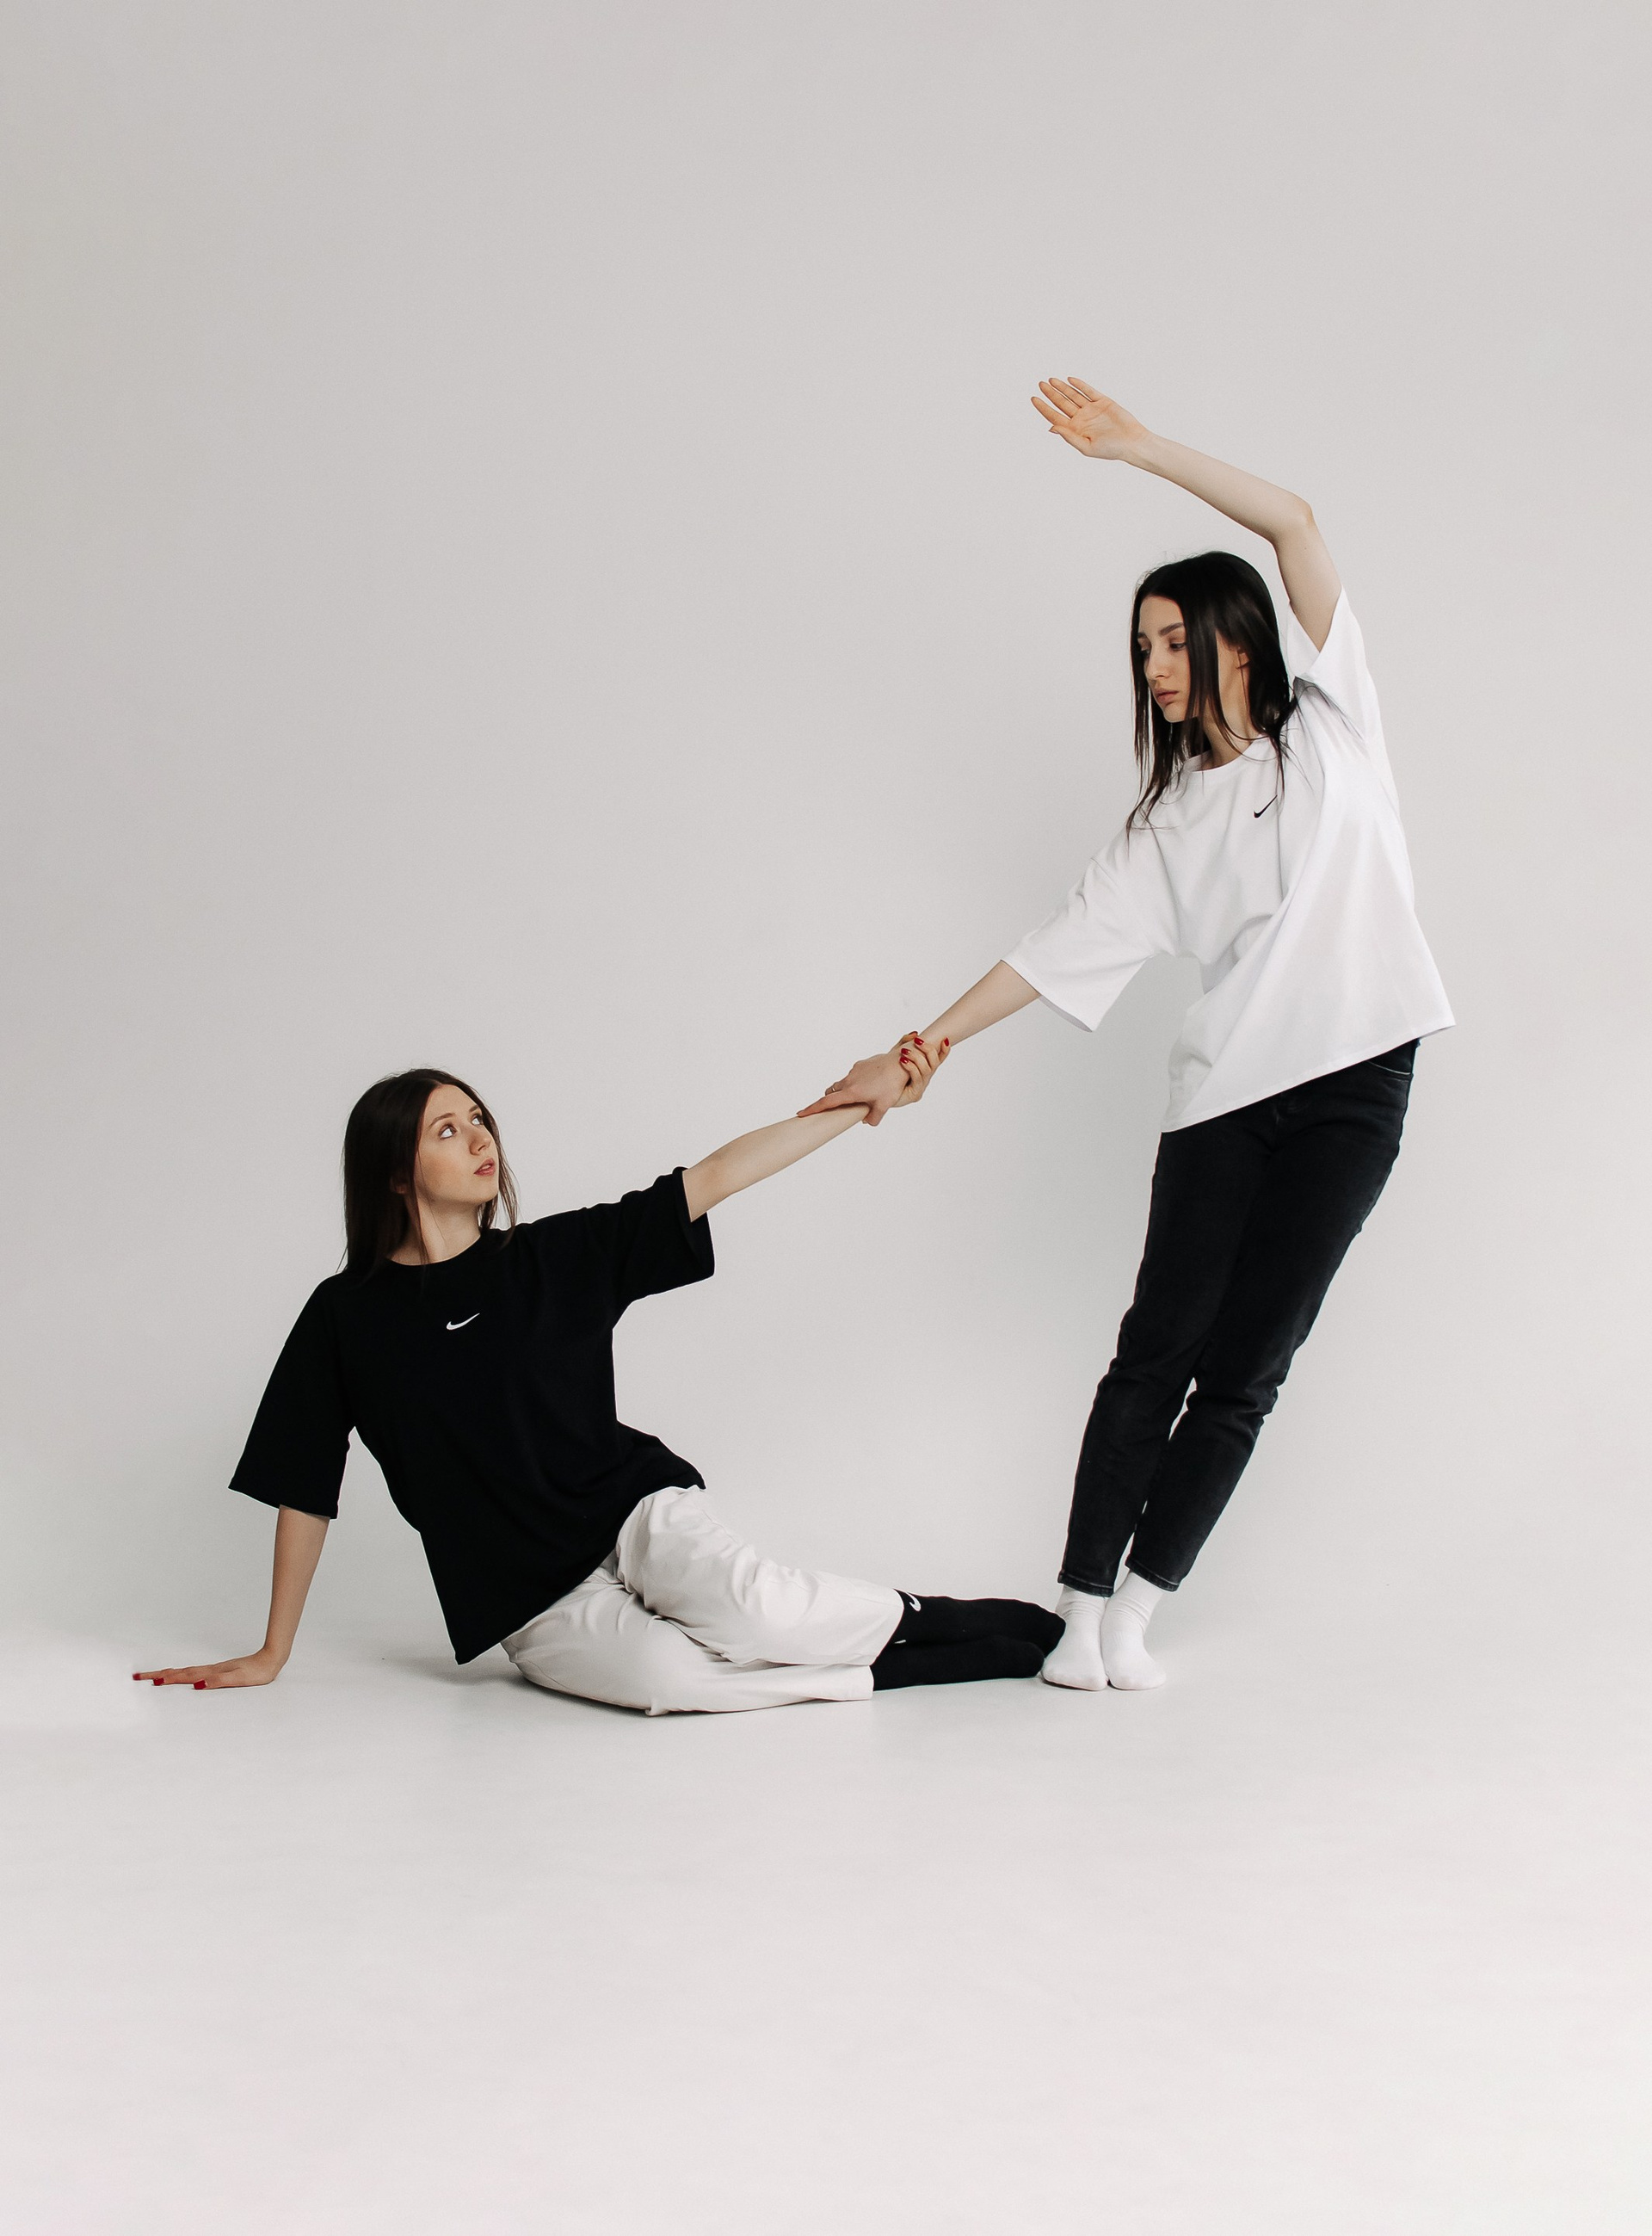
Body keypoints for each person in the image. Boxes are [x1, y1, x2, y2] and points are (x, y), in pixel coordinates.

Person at [803, 376, 1453, 1692]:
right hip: (1224, 1104)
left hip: (1357, 1089)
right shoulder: (1164, 824)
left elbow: (1295, 521)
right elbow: (1047, 951)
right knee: (1156, 1351)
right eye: (1140, 646)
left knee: (1250, 1366)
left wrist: (1141, 449)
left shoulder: (1336, 724)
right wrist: (920, 1048)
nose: (1151, 665)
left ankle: (1140, 1608)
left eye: (1169, 639)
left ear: (1235, 642)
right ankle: (1079, 1605)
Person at [137, 1061, 1062, 1711]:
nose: (479, 1139)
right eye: (446, 1130)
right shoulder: (346, 1316)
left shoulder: (551, 1257)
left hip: (630, 1510)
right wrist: (273, 1651)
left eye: (479, 1119)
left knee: (759, 1609)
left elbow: (714, 1177)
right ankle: (903, 1671)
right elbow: (304, 1482)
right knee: (671, 1680)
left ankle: (942, 1620)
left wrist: (860, 1102)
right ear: (393, 1173)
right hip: (524, 1593)